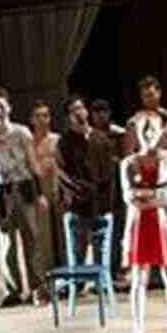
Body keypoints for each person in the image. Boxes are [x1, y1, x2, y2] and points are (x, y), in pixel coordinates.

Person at [0, 87, 49, 307]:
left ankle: (38, 288)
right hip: (0, 192)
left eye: (2, 105)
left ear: (9, 108)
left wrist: (40, 194)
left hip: (23, 188)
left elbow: (33, 164)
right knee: (6, 244)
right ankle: (12, 290)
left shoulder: (22, 132)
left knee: (32, 239)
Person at [121, 112, 167, 333]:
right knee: (139, 278)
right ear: (137, 133)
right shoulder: (128, 164)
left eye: (153, 130)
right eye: (144, 130)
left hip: (165, 222)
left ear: (161, 132)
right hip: (139, 223)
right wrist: (152, 195)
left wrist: (146, 196)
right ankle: (137, 328)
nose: (149, 135)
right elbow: (128, 196)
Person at [125, 76, 167, 287]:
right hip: (144, 179)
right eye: (145, 95)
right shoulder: (134, 122)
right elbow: (129, 153)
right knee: (146, 223)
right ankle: (151, 271)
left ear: (159, 93)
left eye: (152, 93)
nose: (149, 98)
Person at [56, 95, 116, 303]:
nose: (79, 113)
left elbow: (108, 173)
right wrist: (82, 191)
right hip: (78, 206)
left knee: (102, 250)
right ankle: (77, 286)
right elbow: (63, 175)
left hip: (100, 205)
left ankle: (102, 284)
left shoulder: (101, 139)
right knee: (77, 250)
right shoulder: (64, 143)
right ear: (68, 118)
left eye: (81, 108)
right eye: (74, 111)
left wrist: (102, 197)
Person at [90, 99, 128, 288]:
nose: (100, 116)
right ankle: (101, 271)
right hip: (99, 191)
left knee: (119, 230)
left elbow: (128, 158)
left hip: (119, 188)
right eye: (97, 112)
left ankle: (116, 268)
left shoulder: (119, 134)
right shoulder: (89, 136)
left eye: (103, 112)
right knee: (100, 233)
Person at [29, 100, 63, 279]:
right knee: (44, 238)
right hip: (39, 192)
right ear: (32, 120)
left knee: (62, 236)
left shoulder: (57, 140)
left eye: (46, 115)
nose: (43, 120)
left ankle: (67, 276)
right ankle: (46, 278)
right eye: (38, 116)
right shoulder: (29, 142)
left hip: (57, 189)